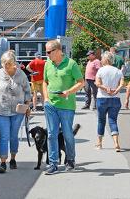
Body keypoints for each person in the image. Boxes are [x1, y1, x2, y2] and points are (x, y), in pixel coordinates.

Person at [0, 50, 32, 174]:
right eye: (4, 63)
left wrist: (28, 106)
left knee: (13, 136)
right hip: (0, 110)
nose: (6, 66)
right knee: (4, 136)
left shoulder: (21, 75)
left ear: (14, 63)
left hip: (18, 111)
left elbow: (27, 91)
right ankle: (3, 162)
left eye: (9, 64)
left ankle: (13, 158)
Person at [43, 40, 84, 175]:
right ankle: (53, 163)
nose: (46, 54)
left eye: (49, 52)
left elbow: (81, 82)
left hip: (66, 106)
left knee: (67, 134)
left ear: (58, 51)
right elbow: (44, 82)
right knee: (51, 134)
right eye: (46, 52)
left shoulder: (71, 64)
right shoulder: (48, 64)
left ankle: (70, 159)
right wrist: (46, 98)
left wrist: (69, 92)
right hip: (50, 105)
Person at [95, 51, 125, 151]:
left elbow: (98, 83)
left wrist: (105, 89)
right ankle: (116, 143)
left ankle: (99, 143)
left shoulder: (100, 70)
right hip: (115, 99)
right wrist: (116, 90)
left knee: (101, 120)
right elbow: (122, 84)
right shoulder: (118, 71)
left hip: (102, 98)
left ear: (104, 59)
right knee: (113, 120)